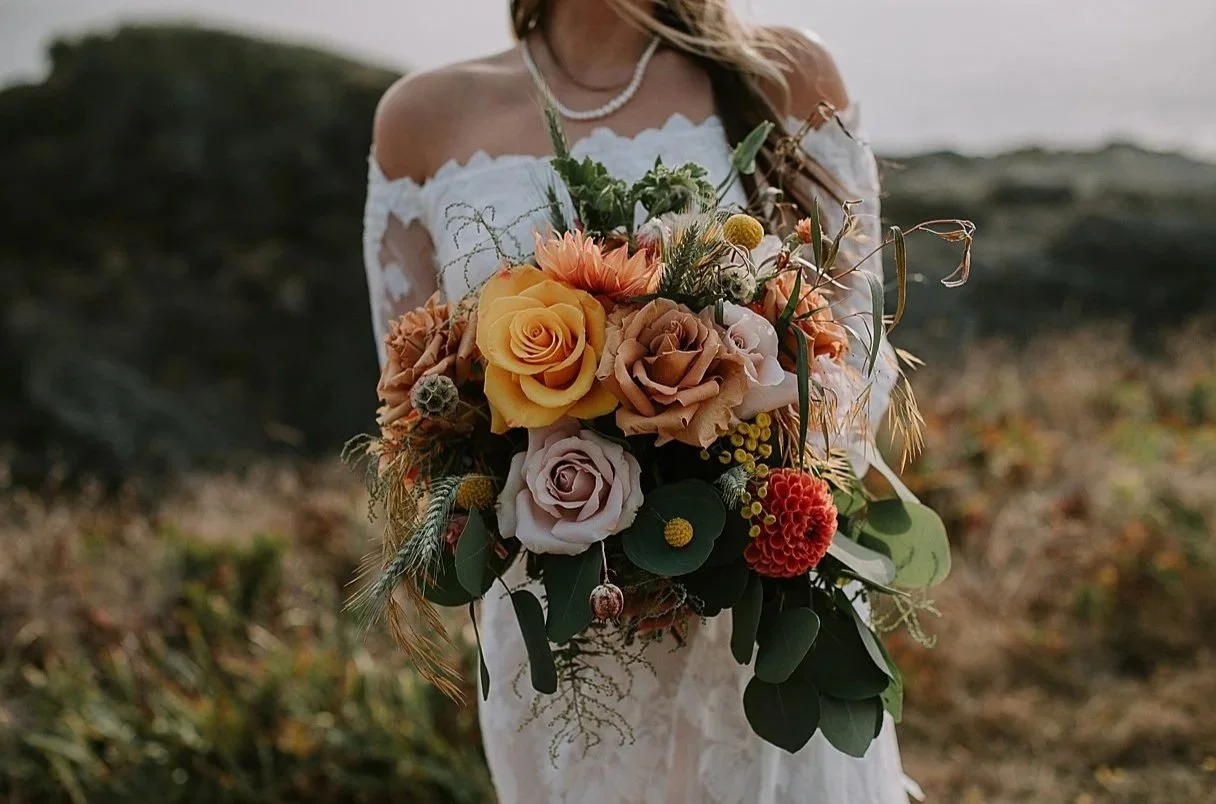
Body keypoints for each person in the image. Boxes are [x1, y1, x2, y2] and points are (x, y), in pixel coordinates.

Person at [362, 1, 914, 801]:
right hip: (562, 647)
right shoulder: (420, 118)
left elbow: (854, 365)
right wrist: (577, 525)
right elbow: (417, 410)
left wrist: (721, 495)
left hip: (757, 620)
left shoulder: (782, 75)